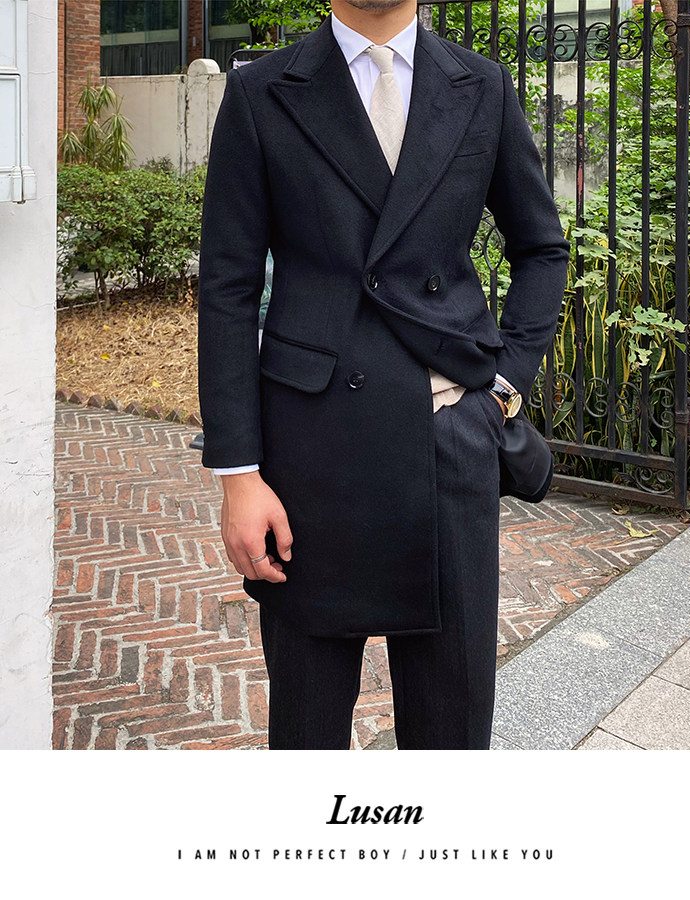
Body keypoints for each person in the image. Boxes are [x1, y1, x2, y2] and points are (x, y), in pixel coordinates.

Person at [197, 0, 569, 750]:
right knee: (306, 734)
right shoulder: (262, 92)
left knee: (451, 733)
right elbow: (228, 287)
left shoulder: (482, 85)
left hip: (449, 440)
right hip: (309, 457)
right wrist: (239, 473)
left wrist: (503, 389)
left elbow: (541, 248)